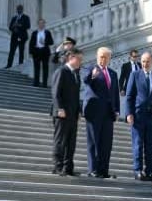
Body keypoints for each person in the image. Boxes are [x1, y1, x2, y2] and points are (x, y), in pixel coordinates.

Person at [126, 51, 152, 182]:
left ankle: (149, 172)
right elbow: (129, 96)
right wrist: (129, 113)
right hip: (138, 116)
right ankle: (138, 171)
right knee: (137, 144)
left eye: (147, 61)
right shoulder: (135, 75)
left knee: (150, 145)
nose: (144, 64)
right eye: (143, 61)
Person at [82, 47, 119, 178]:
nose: (103, 59)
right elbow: (86, 81)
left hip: (108, 113)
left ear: (109, 58)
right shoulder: (90, 68)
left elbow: (115, 93)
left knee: (106, 143)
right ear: (97, 57)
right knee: (93, 141)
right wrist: (92, 76)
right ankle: (93, 169)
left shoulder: (113, 73)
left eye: (105, 57)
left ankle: (104, 170)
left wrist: (117, 110)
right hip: (94, 111)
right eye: (101, 57)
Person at [50, 48, 83, 177]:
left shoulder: (75, 74)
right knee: (60, 140)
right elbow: (55, 92)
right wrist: (59, 108)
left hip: (72, 114)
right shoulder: (61, 71)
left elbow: (76, 96)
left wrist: (79, 110)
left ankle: (68, 167)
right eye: (79, 59)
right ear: (70, 57)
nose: (80, 61)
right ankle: (58, 166)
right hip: (62, 113)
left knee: (71, 142)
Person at [29, 19, 54, 88]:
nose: (41, 25)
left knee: (45, 68)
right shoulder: (34, 33)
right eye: (40, 23)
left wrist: (45, 42)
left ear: (44, 24)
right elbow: (31, 43)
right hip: (36, 52)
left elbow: (51, 42)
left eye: (43, 23)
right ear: (38, 24)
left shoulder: (47, 32)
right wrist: (30, 52)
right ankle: (36, 82)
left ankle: (44, 84)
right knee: (36, 68)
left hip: (45, 52)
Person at [6, 4, 31, 69]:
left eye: (20, 9)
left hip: (22, 36)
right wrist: (13, 26)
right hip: (14, 36)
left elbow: (28, 26)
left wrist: (20, 25)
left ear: (22, 10)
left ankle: (20, 64)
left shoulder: (26, 17)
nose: (19, 10)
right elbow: (10, 27)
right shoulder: (14, 18)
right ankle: (9, 65)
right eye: (18, 9)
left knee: (21, 50)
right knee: (12, 51)